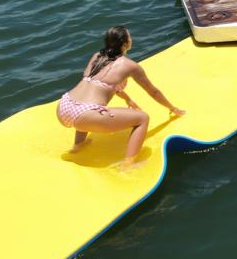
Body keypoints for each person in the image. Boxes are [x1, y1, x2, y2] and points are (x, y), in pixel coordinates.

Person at [56, 26, 185, 168]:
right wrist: (172, 108)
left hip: (64, 105)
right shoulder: (130, 66)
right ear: (125, 44)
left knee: (87, 106)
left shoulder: (97, 56)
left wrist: (127, 98)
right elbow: (153, 92)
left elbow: (101, 85)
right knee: (142, 118)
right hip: (84, 113)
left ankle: (78, 146)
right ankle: (128, 164)